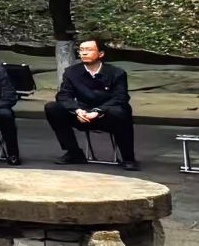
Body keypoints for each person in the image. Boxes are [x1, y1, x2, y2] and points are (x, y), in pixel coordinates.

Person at [45, 37, 137, 170]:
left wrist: (98, 111)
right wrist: (77, 110)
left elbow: (120, 97)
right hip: (82, 114)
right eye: (81, 50)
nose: (83, 53)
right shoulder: (71, 72)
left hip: (107, 114)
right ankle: (74, 152)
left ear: (101, 53)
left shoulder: (116, 73)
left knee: (121, 111)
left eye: (88, 50)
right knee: (52, 108)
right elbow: (64, 95)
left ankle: (128, 158)